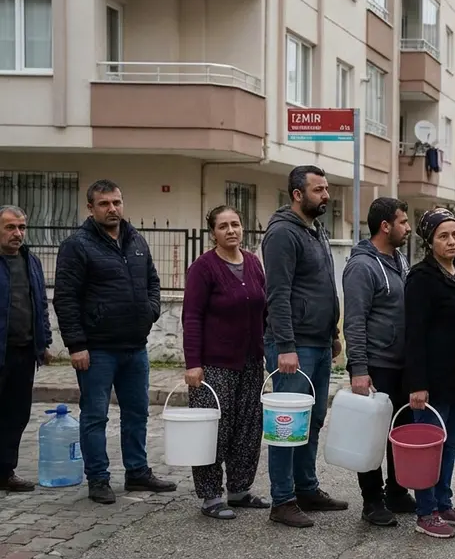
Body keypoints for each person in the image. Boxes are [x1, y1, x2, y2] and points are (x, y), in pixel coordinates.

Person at [54, 180, 176, 504]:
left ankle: (137, 472)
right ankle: (98, 479)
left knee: (137, 414)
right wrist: (76, 345)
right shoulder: (77, 246)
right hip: (97, 350)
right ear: (90, 208)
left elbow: (152, 281)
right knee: (95, 416)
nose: (112, 209)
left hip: (135, 347)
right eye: (104, 203)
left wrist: (150, 310)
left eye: (117, 202)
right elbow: (65, 298)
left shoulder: (136, 240)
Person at [261, 165, 348, 528]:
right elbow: (278, 294)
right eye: (318, 190)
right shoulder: (282, 233)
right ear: (297, 194)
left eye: (326, 188)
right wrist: (285, 346)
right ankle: (282, 500)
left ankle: (306, 489)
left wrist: (333, 334)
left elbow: (323, 286)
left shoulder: (315, 230)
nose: (326, 195)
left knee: (312, 421)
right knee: (288, 425)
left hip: (319, 342)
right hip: (293, 347)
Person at [182, 206, 269, 519]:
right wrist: (193, 363)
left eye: (235, 224)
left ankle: (240, 490)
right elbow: (192, 317)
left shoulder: (253, 263)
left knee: (248, 428)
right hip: (214, 365)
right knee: (214, 431)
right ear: (213, 233)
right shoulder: (203, 268)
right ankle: (210, 497)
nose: (231, 230)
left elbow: (264, 309)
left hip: (251, 362)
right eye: (223, 226)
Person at [403, 208, 455, 538]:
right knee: (430, 446)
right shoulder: (421, 277)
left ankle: (443, 502)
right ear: (429, 241)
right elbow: (414, 333)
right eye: (443, 236)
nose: (452, 241)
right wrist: (417, 384)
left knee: (450, 444)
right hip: (433, 379)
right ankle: (426, 512)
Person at [341, 197, 417, 527]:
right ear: (385, 226)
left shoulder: (399, 260)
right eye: (403, 222)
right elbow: (354, 321)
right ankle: (372, 500)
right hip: (376, 364)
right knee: (372, 434)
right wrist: (359, 369)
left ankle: (397, 491)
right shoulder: (362, 267)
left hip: (402, 364)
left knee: (400, 430)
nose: (408, 228)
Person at [0, 206, 52, 492]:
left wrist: (43, 342)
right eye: (10, 227)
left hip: (23, 352)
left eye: (21, 227)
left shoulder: (30, 261)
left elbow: (40, 303)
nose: (17, 233)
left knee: (16, 414)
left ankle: (5, 471)